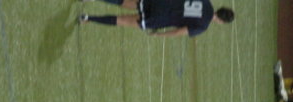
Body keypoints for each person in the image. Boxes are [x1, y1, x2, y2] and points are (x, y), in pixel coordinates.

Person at [78, 0, 234, 38]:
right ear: (221, 21)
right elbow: (178, 32)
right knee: (122, 20)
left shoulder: (206, 2)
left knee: (124, 1)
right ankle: (87, 18)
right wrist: (159, 34)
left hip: (159, 2)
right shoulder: (202, 26)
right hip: (159, 19)